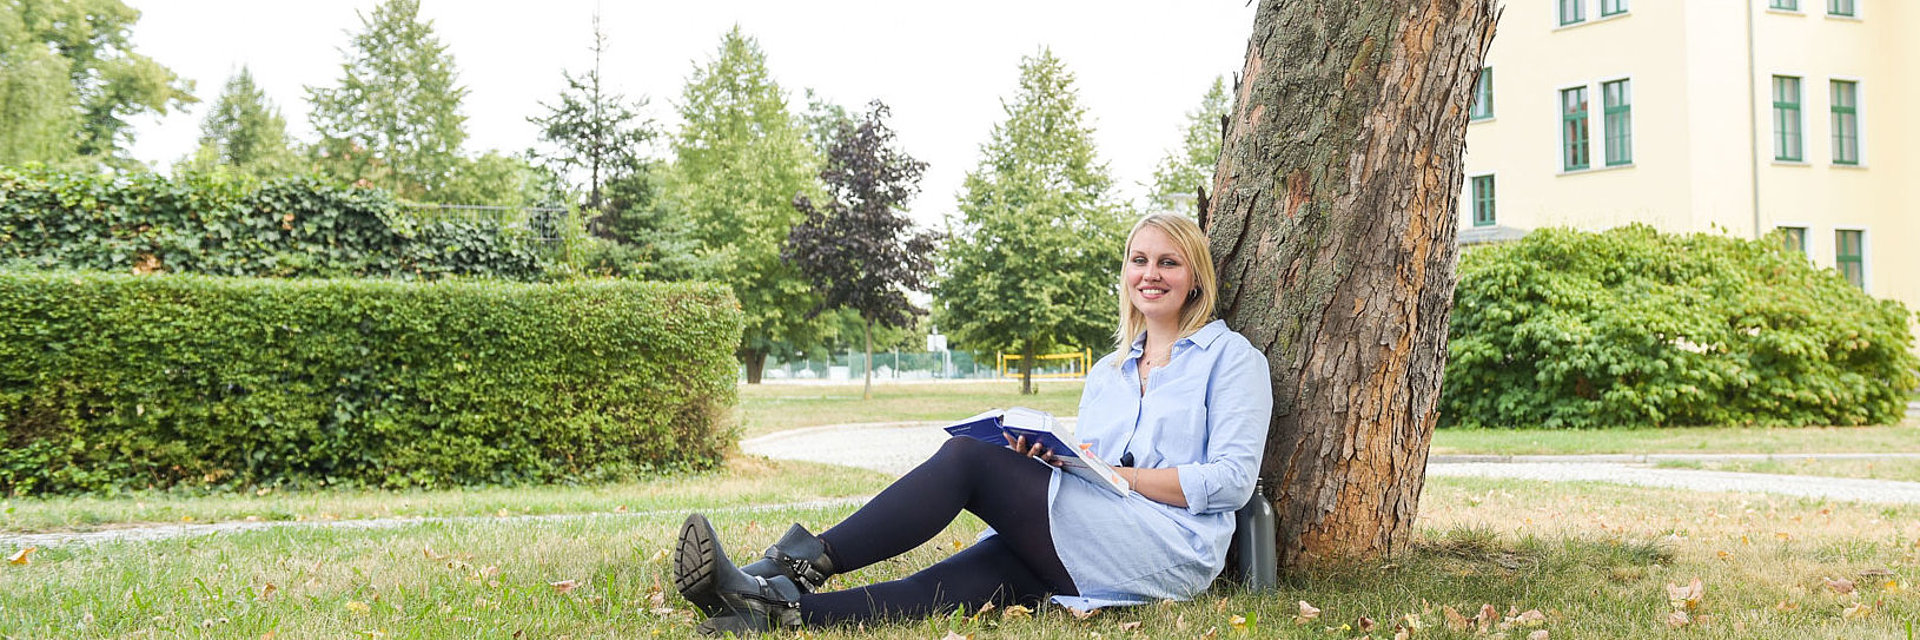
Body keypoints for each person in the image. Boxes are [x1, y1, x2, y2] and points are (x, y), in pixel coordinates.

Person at [673, 212, 1273, 635]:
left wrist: (1120, 478)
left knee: (970, 460)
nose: (1150, 274)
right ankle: (765, 611)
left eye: (1168, 262)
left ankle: (790, 566)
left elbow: (1230, 481)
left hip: (1168, 549)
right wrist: (1055, 458)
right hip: (1088, 532)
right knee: (945, 586)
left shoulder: (1234, 360)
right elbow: (1092, 464)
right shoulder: (1108, 371)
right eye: (1138, 260)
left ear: (1195, 276)